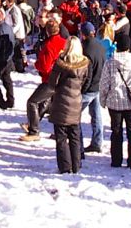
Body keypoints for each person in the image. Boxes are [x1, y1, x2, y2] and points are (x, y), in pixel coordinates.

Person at [100, 34, 131, 169]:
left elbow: (104, 84)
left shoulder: (110, 62)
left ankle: (116, 160)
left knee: (116, 131)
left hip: (114, 101)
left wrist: (103, 100)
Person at [47, 36, 90, 174]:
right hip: (76, 102)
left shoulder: (60, 64)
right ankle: (76, 165)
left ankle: (65, 166)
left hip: (60, 102)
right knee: (75, 136)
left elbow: (52, 82)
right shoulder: (84, 65)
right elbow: (86, 82)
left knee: (61, 137)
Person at [20, 20, 65, 141]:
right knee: (46, 101)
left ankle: (33, 131)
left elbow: (44, 67)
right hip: (63, 78)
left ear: (47, 31)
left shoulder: (49, 45)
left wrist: (37, 64)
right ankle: (32, 124)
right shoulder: (64, 42)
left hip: (50, 79)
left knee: (32, 102)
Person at [79, 21, 106, 153]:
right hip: (98, 85)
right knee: (97, 116)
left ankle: (77, 144)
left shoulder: (85, 49)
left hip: (88, 88)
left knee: (74, 115)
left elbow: (87, 74)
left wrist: (82, 89)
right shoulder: (100, 47)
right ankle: (97, 141)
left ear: (83, 35)